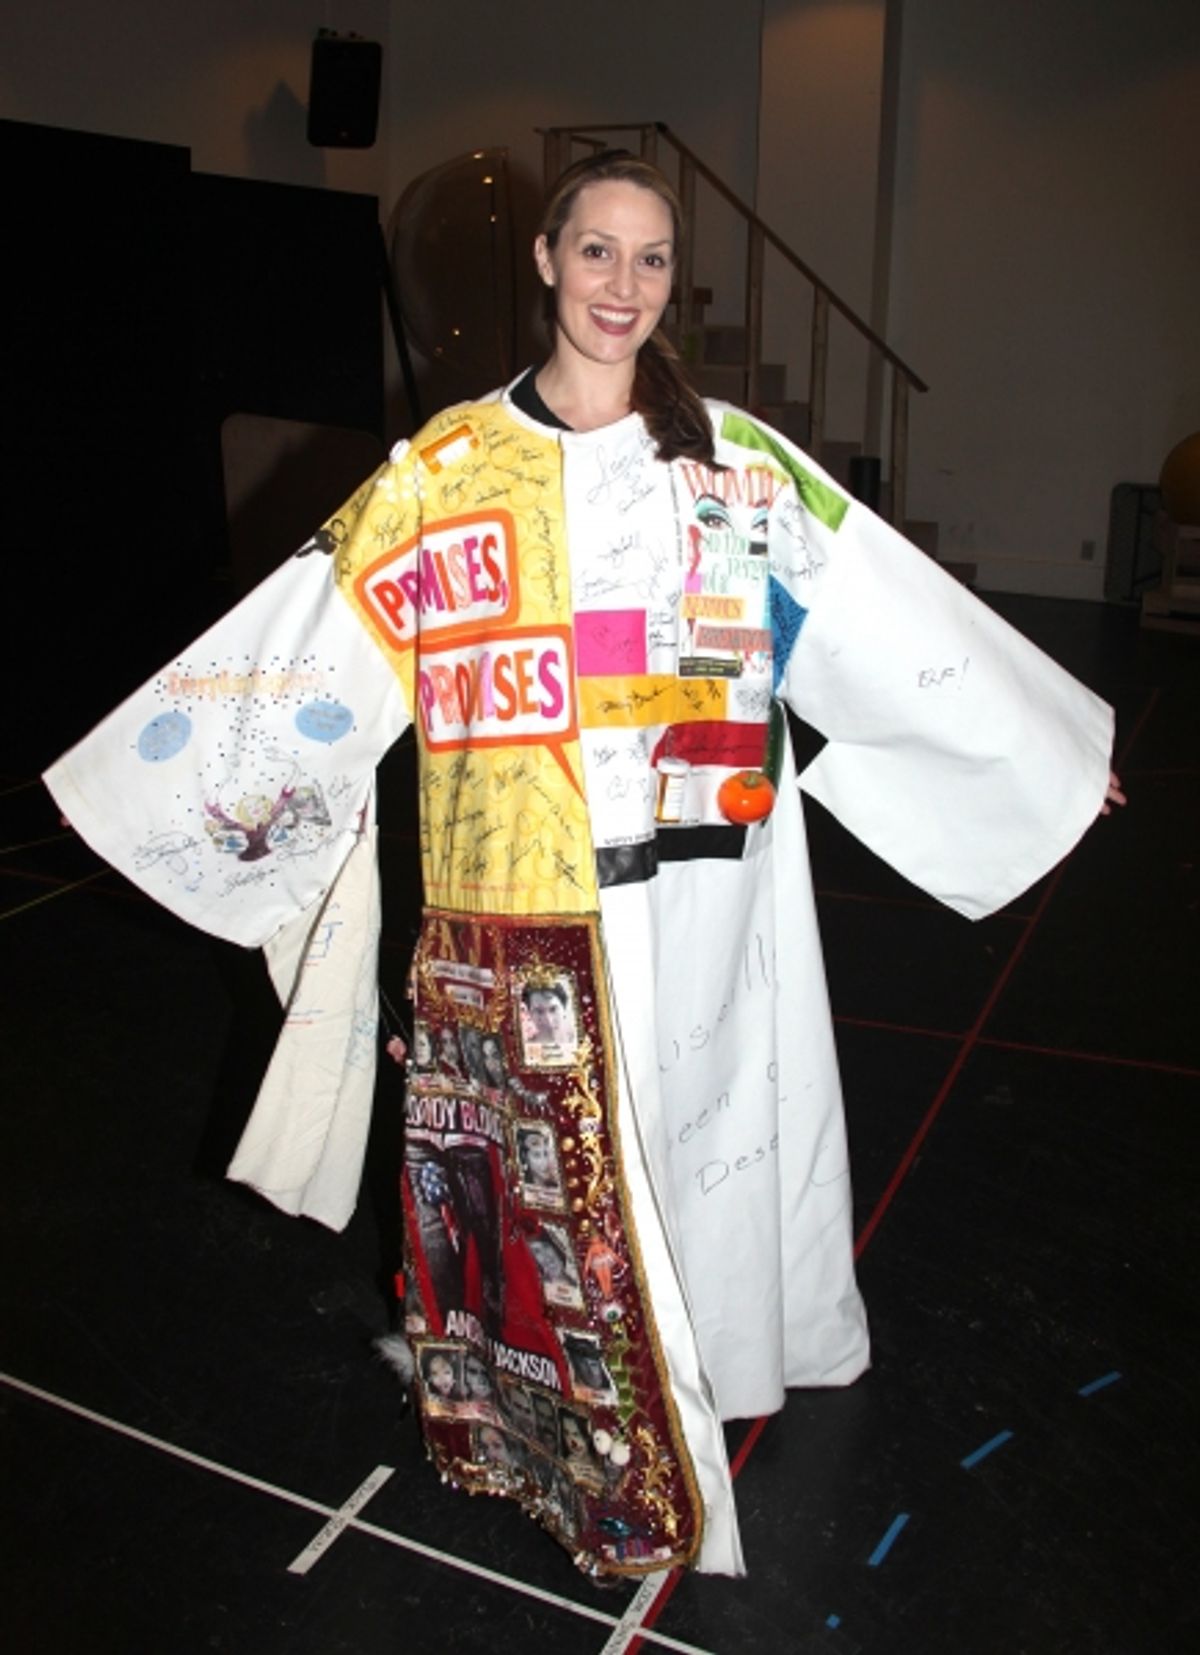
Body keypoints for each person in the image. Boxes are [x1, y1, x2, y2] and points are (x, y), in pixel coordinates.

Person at [42, 150, 1123, 1579]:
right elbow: (314, 636)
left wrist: (1044, 756)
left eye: (655, 260)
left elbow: (879, 612)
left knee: (703, 1130)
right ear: (547, 262)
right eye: (599, 253)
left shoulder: (730, 458)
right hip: (523, 900)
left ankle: (725, 1354)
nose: (625, 286)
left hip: (711, 881)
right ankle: (548, 1423)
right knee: (558, 1179)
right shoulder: (443, 471)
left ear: (677, 282)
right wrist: (144, 790)